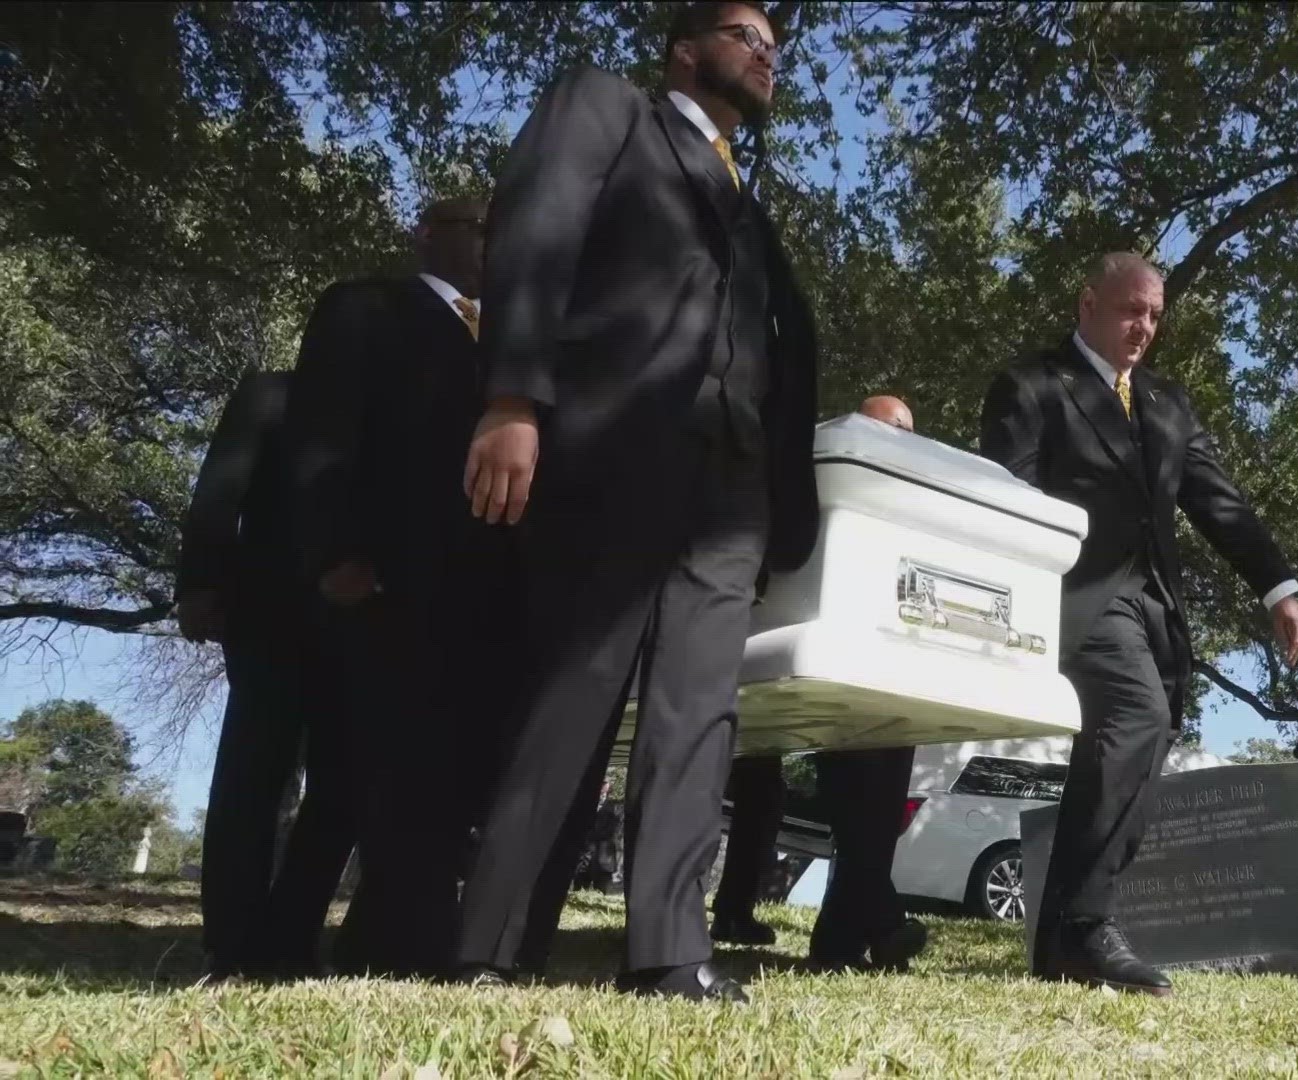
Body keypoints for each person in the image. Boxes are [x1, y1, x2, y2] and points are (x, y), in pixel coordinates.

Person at [453, 0, 819, 1003]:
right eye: (750, 39)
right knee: (576, 688)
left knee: (700, 712)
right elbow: (540, 226)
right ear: (687, 49)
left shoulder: (754, 207)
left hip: (730, 484)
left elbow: (788, 352)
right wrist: (513, 395)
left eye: (776, 51)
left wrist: (789, 503)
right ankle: (492, 944)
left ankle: (667, 953)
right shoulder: (607, 109)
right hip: (615, 445)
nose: (767, 58)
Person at [979, 253, 1298, 996]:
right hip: (1074, 598)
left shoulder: (1166, 403)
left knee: (1139, 743)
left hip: (1157, 607)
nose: (1145, 328)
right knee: (1135, 714)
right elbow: (1006, 497)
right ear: (1089, 302)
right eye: (1132, 311)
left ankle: (1063, 934)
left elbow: (1218, 502)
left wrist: (1277, 586)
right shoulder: (1031, 386)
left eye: (1155, 317)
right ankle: (1091, 928)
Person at [283, 194, 510, 978]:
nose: (488, 243)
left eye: (497, 232)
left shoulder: (511, 348)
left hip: (475, 595)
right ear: (426, 233)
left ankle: (388, 946)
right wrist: (333, 552)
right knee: (352, 774)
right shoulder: (364, 309)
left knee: (445, 776)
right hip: (379, 578)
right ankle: (273, 948)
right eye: (474, 226)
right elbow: (321, 434)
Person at [712, 395, 928, 973]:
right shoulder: (828, 486)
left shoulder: (917, 500)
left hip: (902, 667)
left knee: (877, 819)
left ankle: (851, 939)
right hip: (846, 666)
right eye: (886, 428)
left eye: (906, 431)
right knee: (856, 811)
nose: (896, 440)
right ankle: (874, 925)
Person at [178, 372, 356, 981]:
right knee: (254, 774)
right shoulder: (270, 395)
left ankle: (292, 936)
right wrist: (199, 585)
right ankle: (231, 941)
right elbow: (219, 492)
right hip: (267, 613)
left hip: (359, 623)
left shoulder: (388, 405)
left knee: (343, 783)